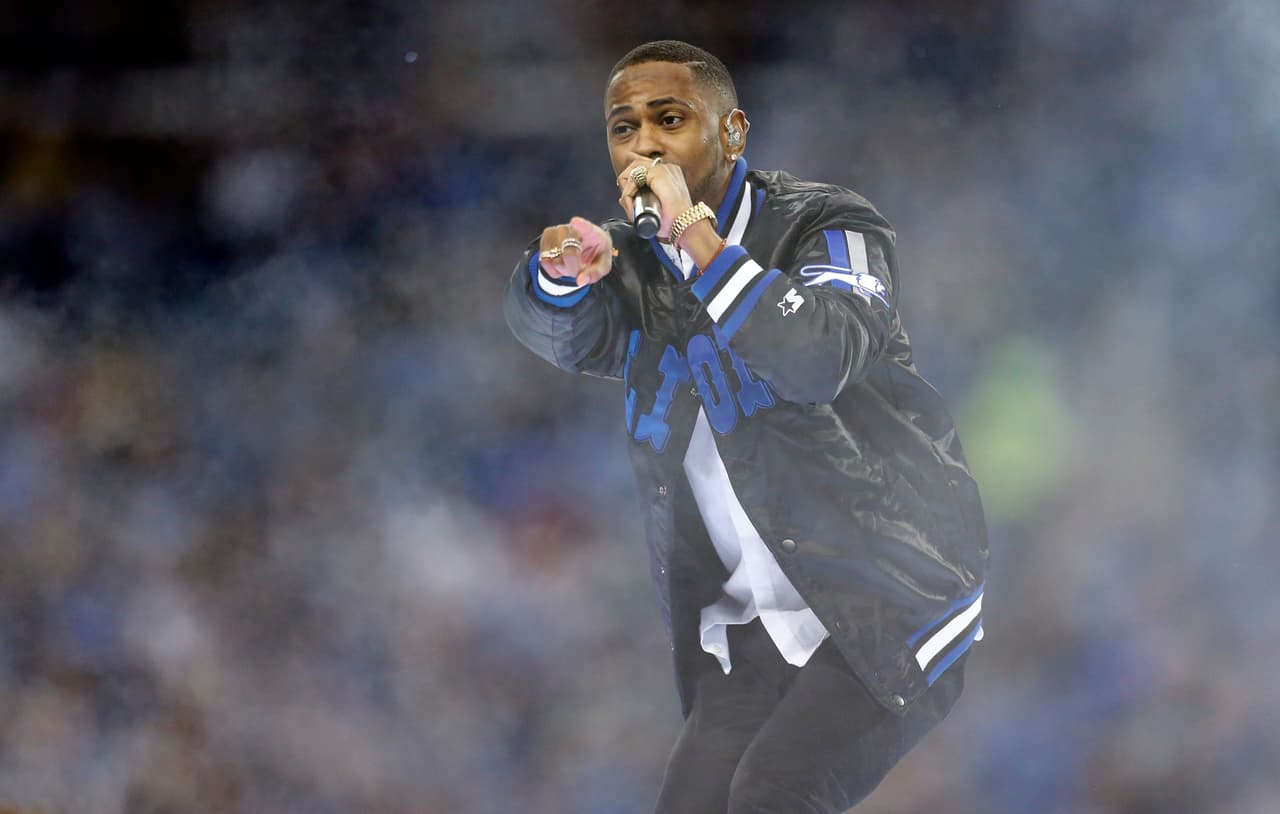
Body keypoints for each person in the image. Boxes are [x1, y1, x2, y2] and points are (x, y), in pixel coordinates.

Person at [504, 40, 989, 814]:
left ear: (732, 133)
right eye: (623, 127)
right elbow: (556, 331)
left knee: (774, 793)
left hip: (889, 591)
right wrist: (556, 276)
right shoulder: (632, 259)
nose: (645, 145)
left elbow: (817, 357)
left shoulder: (831, 224)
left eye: (670, 119)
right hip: (748, 626)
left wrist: (697, 240)